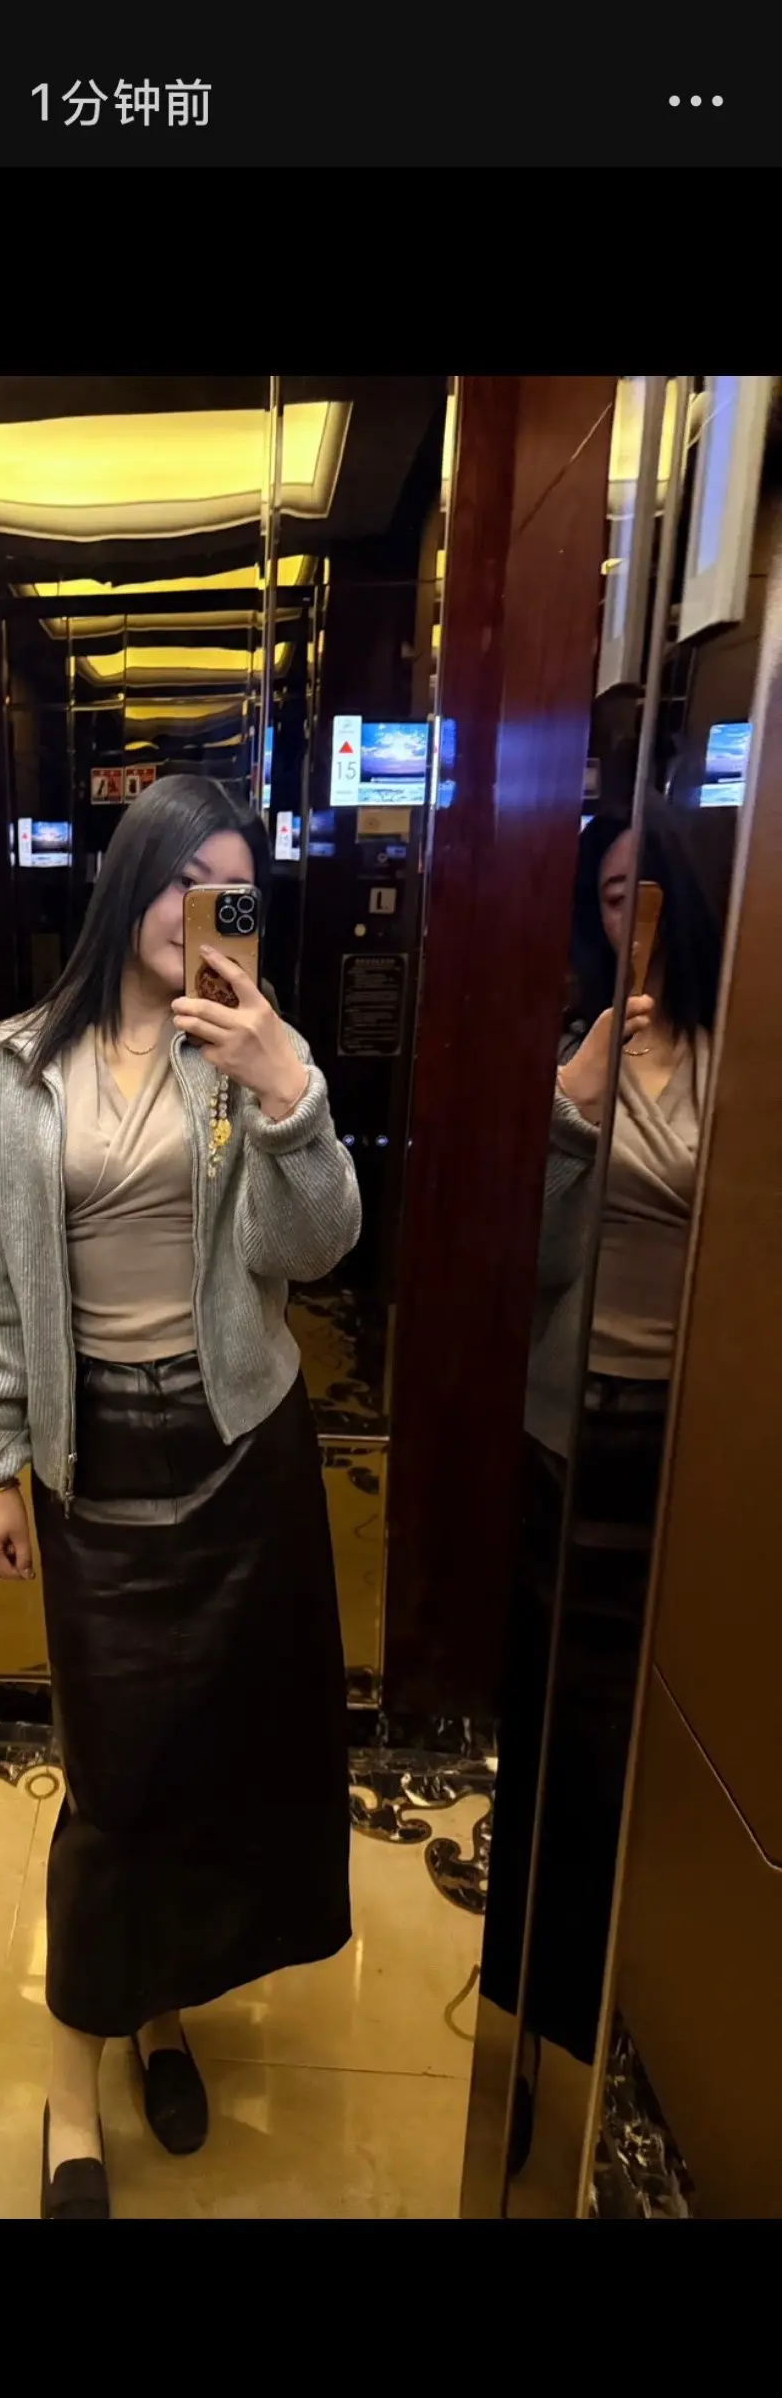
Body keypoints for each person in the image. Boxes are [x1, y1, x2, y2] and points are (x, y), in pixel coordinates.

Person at [0, 775, 361, 2218]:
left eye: (233, 889)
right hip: (95, 1464)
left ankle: (161, 2015)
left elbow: (316, 1248)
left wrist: (286, 1090)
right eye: (188, 880)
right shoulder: (15, 1069)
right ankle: (74, 2093)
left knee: (214, 1761)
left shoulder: (242, 1053)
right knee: (114, 1786)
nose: (206, 911)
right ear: (134, 884)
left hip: (240, 1449)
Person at [481, 799, 722, 2160]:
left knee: (647, 1738)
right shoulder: (577, 1048)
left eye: (648, 891)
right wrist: (575, 1100)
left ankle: (646, 2004)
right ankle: (530, 2020)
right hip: (571, 1430)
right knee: (554, 1732)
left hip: (688, 1449)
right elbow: (527, 1254)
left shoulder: (735, 1054)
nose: (629, 916)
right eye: (609, 894)